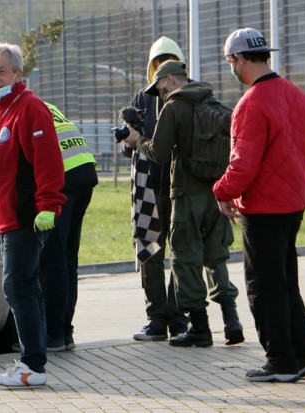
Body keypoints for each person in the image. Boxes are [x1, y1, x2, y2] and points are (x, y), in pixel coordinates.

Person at [214, 28, 305, 382]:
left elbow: (243, 162)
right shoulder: (298, 95)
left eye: (230, 62)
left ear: (238, 60)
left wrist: (222, 191)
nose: (231, 68)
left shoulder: (249, 104)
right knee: (285, 284)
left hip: (263, 207)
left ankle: (280, 361)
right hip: (293, 202)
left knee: (263, 287)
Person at [123, 38, 243, 346]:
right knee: (215, 257)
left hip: (184, 195)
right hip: (214, 193)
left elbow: (159, 153)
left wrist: (138, 141)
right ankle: (231, 319)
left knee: (183, 258)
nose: (159, 91)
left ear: (170, 79)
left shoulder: (175, 106)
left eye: (161, 83)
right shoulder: (211, 101)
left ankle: (197, 326)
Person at [0, 81, 98, 353]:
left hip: (62, 178)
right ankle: (64, 332)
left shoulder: (3, 110)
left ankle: (54, 335)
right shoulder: (37, 103)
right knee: (67, 260)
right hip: (84, 170)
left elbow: (5, 162)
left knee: (52, 262)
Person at [0, 42, 66, 387]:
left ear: (18, 73)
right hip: (7, 220)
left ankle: (32, 365)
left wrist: (47, 206)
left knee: (17, 287)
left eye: (1, 71)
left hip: (26, 217)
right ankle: (34, 361)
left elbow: (48, 163)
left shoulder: (29, 108)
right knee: (25, 287)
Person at [120, 36, 189, 341]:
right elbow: (130, 147)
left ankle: (180, 316)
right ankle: (156, 318)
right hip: (148, 186)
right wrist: (128, 138)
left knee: (185, 252)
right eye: (158, 65)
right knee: (150, 251)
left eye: (168, 63)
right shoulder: (142, 97)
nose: (163, 73)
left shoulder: (190, 96)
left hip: (181, 185)